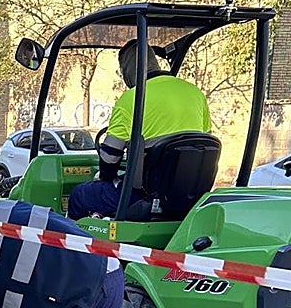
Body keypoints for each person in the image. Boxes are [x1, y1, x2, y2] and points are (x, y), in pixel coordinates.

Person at [68, 40, 211, 219]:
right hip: (189, 195)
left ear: (128, 70)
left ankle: (73, 245)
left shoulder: (131, 99)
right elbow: (204, 141)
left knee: (80, 195)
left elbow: (110, 156)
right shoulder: (195, 93)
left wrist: (106, 176)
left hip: (145, 195)